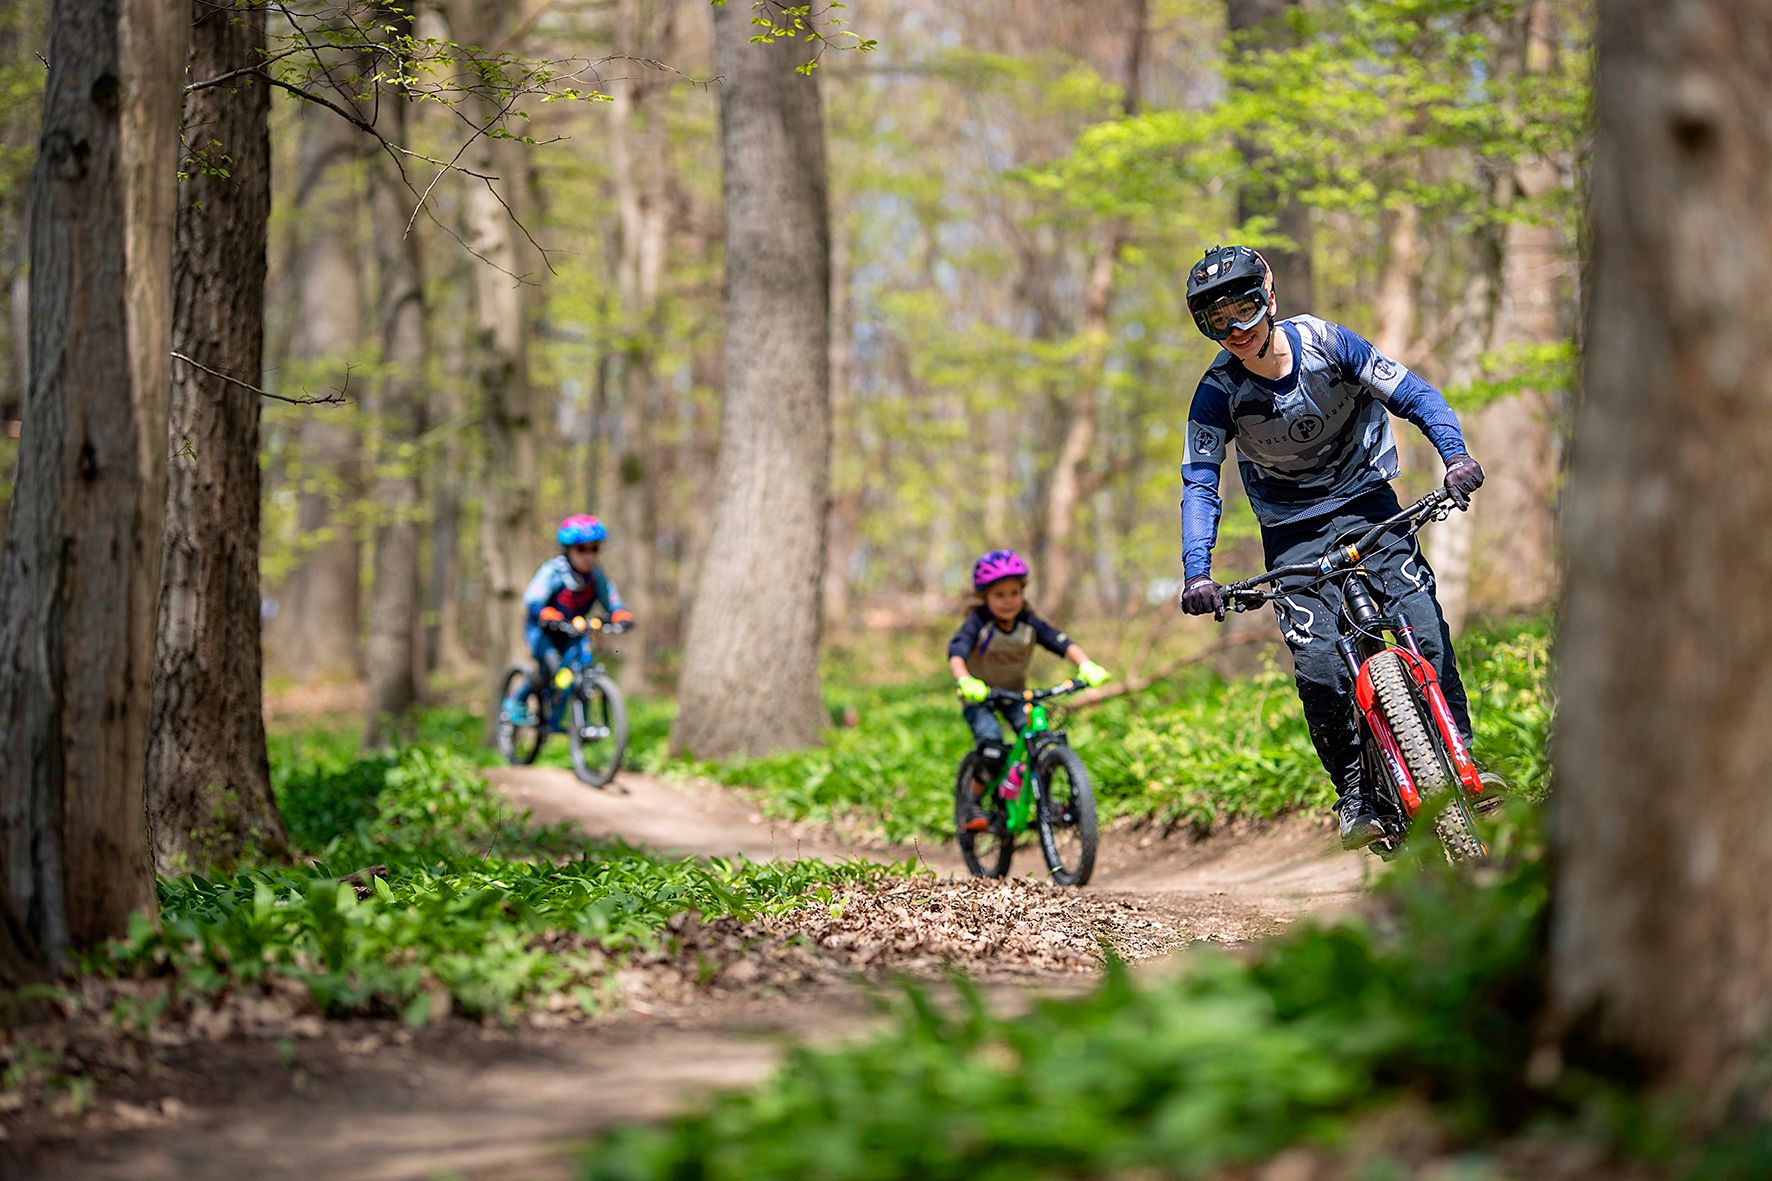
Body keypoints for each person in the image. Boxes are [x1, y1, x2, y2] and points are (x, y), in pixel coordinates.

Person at [1174, 244, 1487, 850]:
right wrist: (1197, 572)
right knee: (1317, 662)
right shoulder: (1215, 394)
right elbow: (1199, 481)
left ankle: (1462, 753)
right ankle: (1355, 795)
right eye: (1218, 321)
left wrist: (1456, 458)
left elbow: (1416, 395)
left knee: (1422, 619)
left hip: (1368, 499)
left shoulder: (1327, 342)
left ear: (1269, 299)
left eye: (1243, 310)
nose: (1235, 330)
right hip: (1290, 529)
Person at [948, 549, 1111, 832]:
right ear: (985, 596)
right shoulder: (979, 623)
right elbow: (957, 652)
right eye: (999, 595)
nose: (1008, 601)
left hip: (1015, 694)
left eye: (1014, 593)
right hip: (981, 696)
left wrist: (1086, 665)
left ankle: (1044, 799)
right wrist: (964, 680)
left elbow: (1059, 642)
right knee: (992, 748)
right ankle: (973, 803)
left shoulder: (1027, 621)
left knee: (1039, 738)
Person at [501, 514, 634, 725]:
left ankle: (577, 721)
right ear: (569, 550)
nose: (588, 556)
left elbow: (611, 600)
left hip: (573, 630)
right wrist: (546, 613)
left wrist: (619, 614)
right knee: (551, 666)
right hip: (542, 630)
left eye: (594, 549)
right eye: (582, 549)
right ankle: (516, 701)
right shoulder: (554, 571)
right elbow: (533, 599)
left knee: (577, 669)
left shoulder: (595, 576)